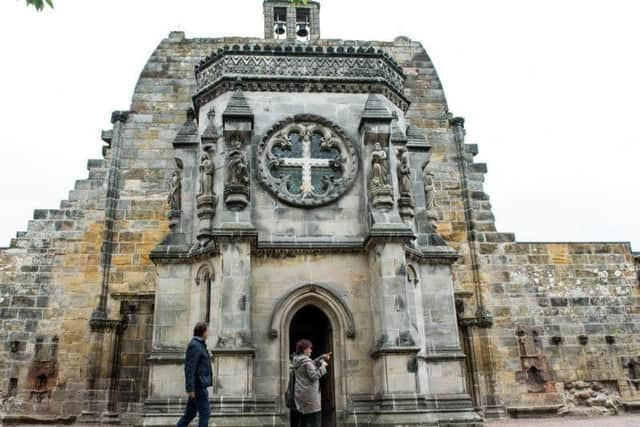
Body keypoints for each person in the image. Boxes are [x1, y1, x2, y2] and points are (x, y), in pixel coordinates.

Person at [176, 322, 212, 427]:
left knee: (190, 414)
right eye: (207, 331)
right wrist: (190, 389)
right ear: (203, 332)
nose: (208, 333)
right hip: (198, 387)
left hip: (199, 385)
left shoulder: (199, 345)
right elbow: (189, 369)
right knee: (205, 413)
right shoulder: (195, 346)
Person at [292, 339, 332, 427]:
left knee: (303, 421)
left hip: (301, 396)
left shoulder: (298, 360)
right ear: (305, 349)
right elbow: (314, 376)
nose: (311, 350)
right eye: (310, 348)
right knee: (315, 422)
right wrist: (323, 366)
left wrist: (322, 357)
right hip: (311, 398)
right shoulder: (306, 362)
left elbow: (311, 363)